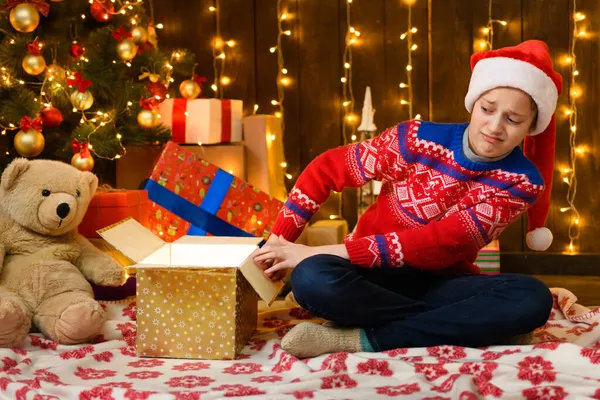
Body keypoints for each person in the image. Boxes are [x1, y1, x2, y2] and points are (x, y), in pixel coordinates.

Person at [252, 40, 560, 358]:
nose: (495, 127)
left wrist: (317, 251)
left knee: (532, 298)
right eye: (487, 109)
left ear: (531, 127)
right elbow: (327, 169)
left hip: (441, 283)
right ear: (473, 102)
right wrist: (279, 242)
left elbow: (437, 243)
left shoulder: (522, 182)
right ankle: (475, 326)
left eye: (513, 120)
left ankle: (362, 338)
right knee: (311, 278)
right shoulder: (414, 139)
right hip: (368, 274)